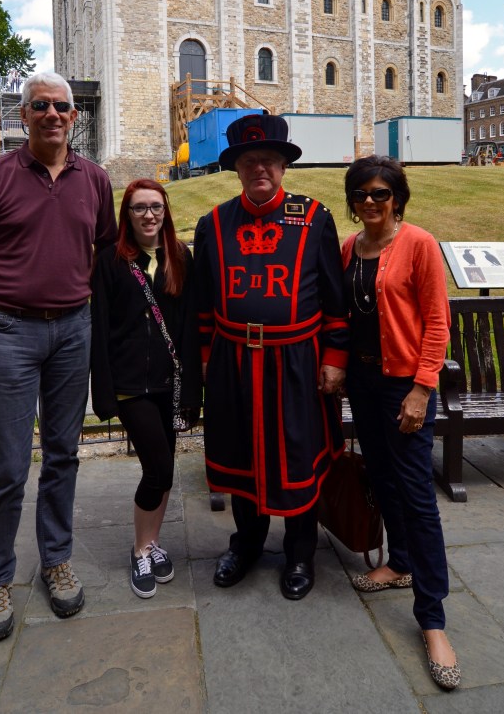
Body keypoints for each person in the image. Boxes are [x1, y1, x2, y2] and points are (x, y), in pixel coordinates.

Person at [0, 70, 117, 642]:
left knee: (64, 454)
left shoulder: (95, 180)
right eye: (40, 105)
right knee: (7, 466)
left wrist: (69, 298)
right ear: (23, 116)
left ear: (75, 116)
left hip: (73, 330)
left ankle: (56, 560)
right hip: (11, 334)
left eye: (62, 106)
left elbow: (98, 251)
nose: (52, 114)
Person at [194, 114, 348, 600]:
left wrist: (334, 357)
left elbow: (335, 299)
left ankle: (301, 553)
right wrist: (204, 359)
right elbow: (202, 303)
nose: (260, 168)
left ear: (283, 166)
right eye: (249, 161)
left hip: (296, 363)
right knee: (240, 456)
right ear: (237, 168)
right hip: (233, 361)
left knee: (298, 457)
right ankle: (247, 545)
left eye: (269, 160)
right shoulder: (212, 224)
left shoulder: (315, 217)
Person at [341, 155, 460, 691]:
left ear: (397, 198)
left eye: (381, 193)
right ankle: (401, 563)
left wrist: (421, 387)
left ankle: (432, 619)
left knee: (417, 495)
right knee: (383, 477)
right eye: (362, 193)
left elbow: (437, 320)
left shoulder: (419, 245)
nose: (370, 201)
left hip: (404, 385)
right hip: (364, 384)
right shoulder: (350, 249)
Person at [90, 179, 202, 598]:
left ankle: (153, 543)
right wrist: (103, 390)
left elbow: (188, 327)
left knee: (166, 466)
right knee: (158, 467)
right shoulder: (110, 261)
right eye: (139, 208)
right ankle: (139, 549)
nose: (149, 215)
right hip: (129, 385)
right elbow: (99, 327)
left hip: (168, 383)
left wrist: (192, 390)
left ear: (166, 211)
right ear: (127, 215)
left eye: (156, 207)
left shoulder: (179, 258)